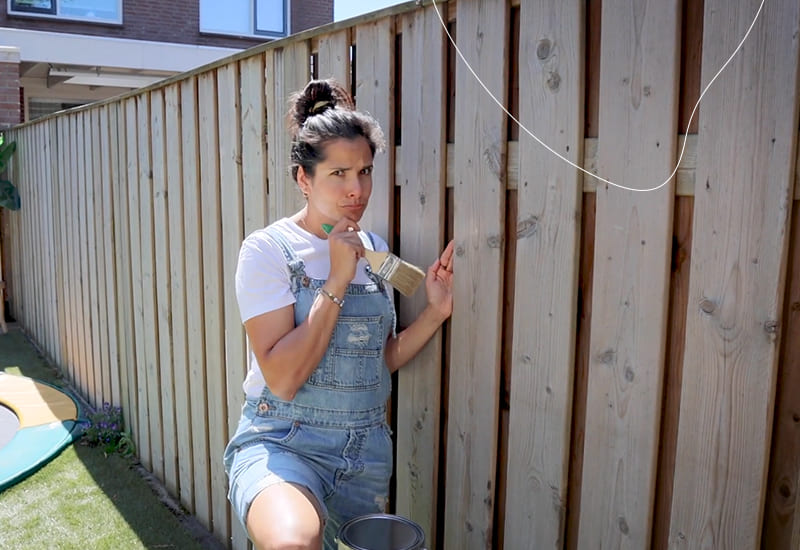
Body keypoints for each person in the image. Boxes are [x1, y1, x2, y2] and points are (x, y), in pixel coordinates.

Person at [223, 78, 454, 550]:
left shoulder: (376, 251)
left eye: (365, 172)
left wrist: (434, 312)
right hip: (283, 442)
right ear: (303, 179)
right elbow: (283, 378)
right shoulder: (268, 250)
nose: (357, 189)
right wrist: (335, 279)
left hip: (366, 453)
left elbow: (377, 360)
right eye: (339, 174)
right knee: (293, 543)